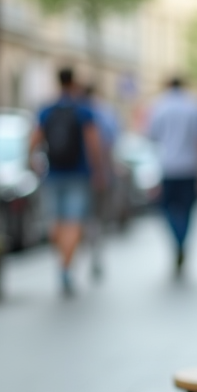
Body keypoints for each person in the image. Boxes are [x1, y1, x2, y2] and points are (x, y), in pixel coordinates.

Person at [29, 68, 103, 296]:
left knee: (55, 224)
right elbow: (93, 143)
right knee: (74, 223)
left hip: (53, 175)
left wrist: (32, 164)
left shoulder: (46, 110)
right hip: (78, 175)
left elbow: (33, 140)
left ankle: (63, 264)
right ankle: (65, 269)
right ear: (74, 83)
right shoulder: (83, 110)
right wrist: (98, 170)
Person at [146, 77, 197, 275]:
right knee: (188, 210)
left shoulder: (158, 106)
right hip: (190, 168)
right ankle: (182, 241)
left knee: (166, 208)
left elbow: (151, 137)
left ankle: (177, 240)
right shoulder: (195, 106)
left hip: (168, 168)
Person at [81, 83, 119, 278]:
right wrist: (105, 170)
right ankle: (95, 253)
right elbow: (110, 144)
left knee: (79, 216)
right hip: (99, 173)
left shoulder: (75, 110)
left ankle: (73, 257)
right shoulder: (105, 112)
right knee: (97, 216)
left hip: (76, 175)